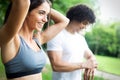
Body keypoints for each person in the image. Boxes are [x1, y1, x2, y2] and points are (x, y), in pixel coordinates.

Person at [0, 0, 69, 80]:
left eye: (46, 15)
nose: (46, 20)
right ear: (26, 12)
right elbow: (23, 2)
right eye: (41, 13)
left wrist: (45, 7)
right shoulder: (11, 39)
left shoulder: (37, 40)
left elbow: (65, 21)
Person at [47, 4, 98, 80]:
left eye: (87, 24)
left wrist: (92, 64)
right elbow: (56, 65)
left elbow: (90, 56)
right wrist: (84, 65)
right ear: (76, 18)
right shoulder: (57, 34)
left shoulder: (81, 39)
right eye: (84, 23)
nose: (85, 27)